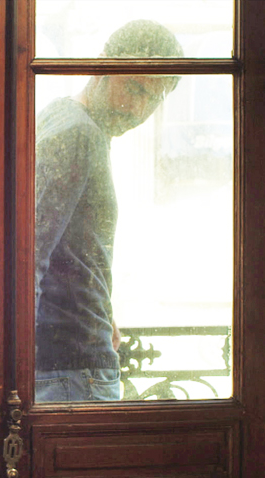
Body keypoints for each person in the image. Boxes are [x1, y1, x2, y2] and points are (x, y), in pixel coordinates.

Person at [34, 20, 183, 402]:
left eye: (153, 99)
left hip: (68, 363)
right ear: (101, 65)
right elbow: (29, 255)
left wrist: (102, 311)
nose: (138, 108)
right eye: (133, 88)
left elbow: (64, 251)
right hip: (71, 371)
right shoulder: (78, 134)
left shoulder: (63, 118)